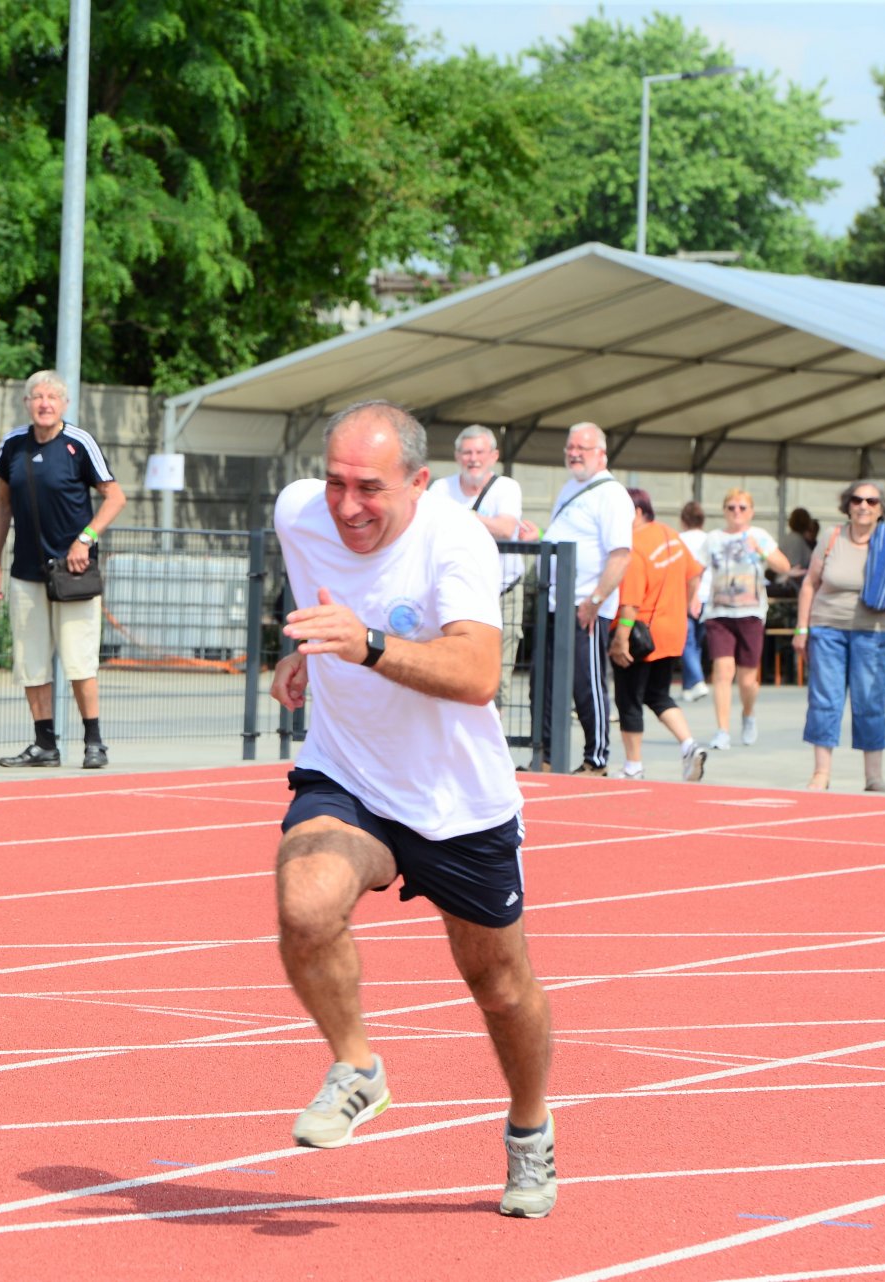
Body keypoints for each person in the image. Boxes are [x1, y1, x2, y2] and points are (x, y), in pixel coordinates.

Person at [269, 399, 555, 1218]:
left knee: (500, 987)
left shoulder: (454, 539)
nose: (347, 506)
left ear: (420, 483)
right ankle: (357, 1068)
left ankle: (529, 1131)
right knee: (304, 899)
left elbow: (476, 674)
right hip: (349, 776)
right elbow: (331, 608)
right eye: (335, 483)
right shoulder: (299, 514)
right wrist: (304, 654)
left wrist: (365, 645)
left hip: (456, 801)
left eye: (369, 488)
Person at [0, 370, 127, 768]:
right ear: (27, 403)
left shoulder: (79, 444)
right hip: (25, 570)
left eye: (52, 397)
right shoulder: (13, 444)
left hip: (73, 570)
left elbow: (115, 497)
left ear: (64, 404)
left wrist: (86, 539)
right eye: (37, 396)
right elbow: (2, 504)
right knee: (30, 660)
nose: (44, 403)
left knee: (80, 658)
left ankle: (94, 742)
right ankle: (44, 744)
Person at [794, 479, 885, 792]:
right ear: (848, 505)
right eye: (857, 500)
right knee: (824, 699)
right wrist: (802, 628)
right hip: (827, 628)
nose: (863, 506)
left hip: (873, 632)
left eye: (871, 501)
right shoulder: (831, 536)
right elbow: (810, 584)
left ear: (882, 508)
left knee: (870, 701)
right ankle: (821, 774)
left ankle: (873, 777)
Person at [535, 422, 633, 772]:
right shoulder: (569, 488)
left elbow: (620, 554)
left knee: (586, 685)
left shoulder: (611, 494)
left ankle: (596, 757)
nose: (574, 453)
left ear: (601, 454)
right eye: (570, 447)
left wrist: (596, 599)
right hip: (554, 603)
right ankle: (544, 755)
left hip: (584, 606)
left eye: (583, 448)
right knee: (543, 685)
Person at [430, 425, 537, 705]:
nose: (473, 458)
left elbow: (505, 528)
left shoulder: (506, 487)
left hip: (503, 592)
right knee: (451, 669)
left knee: (497, 676)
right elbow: (431, 528)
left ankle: (493, 741)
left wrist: (462, 517)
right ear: (457, 456)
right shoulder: (441, 488)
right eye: (467, 452)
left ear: (494, 456)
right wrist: (478, 520)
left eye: (479, 452)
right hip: (455, 591)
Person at [608, 488, 707, 781]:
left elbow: (630, 602)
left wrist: (620, 639)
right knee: (658, 695)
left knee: (628, 699)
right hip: (673, 630)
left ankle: (633, 765)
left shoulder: (633, 547)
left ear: (637, 512)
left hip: (640, 634)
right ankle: (689, 745)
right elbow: (694, 573)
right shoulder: (670, 534)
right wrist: (687, 604)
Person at [700, 489, 792, 751]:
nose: (736, 512)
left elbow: (784, 567)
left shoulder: (759, 536)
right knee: (722, 671)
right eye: (731, 507)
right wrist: (692, 596)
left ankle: (748, 714)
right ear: (724, 511)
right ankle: (722, 730)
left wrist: (761, 551)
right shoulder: (713, 538)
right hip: (719, 613)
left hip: (750, 613)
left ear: (750, 512)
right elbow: (696, 568)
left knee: (747, 679)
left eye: (741, 508)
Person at [675, 501, 711, 701]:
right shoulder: (709, 539)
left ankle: (697, 680)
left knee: (685, 641)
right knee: (696, 642)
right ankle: (689, 686)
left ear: (683, 520)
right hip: (708, 596)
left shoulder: (679, 540)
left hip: (686, 595)